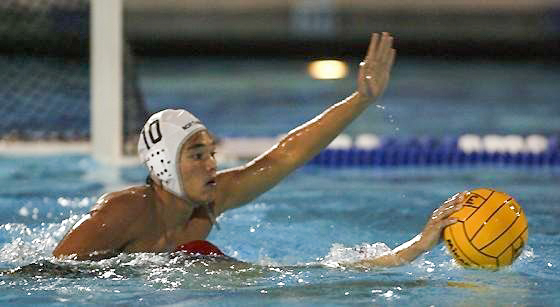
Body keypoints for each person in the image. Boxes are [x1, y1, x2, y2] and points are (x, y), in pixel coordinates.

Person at [52, 33, 463, 266]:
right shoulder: (125, 211)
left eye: (211, 151)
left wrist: (360, 100)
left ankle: (401, 256)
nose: (212, 163)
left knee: (212, 261)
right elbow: (48, 272)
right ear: (162, 166)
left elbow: (285, 155)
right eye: (197, 155)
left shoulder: (208, 204)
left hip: (173, 273)